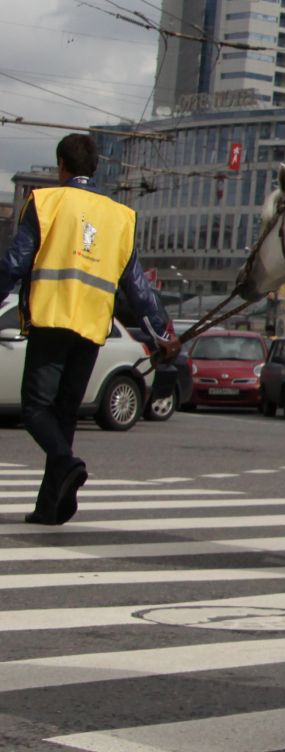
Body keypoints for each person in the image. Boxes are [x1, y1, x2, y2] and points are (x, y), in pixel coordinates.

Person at [0, 133, 176, 524]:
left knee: (34, 410)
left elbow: (14, 263)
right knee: (63, 414)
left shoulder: (46, 203)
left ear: (62, 165)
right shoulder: (120, 216)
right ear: (94, 169)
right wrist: (163, 334)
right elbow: (137, 287)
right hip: (94, 328)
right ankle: (52, 506)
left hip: (52, 318)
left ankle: (66, 463)